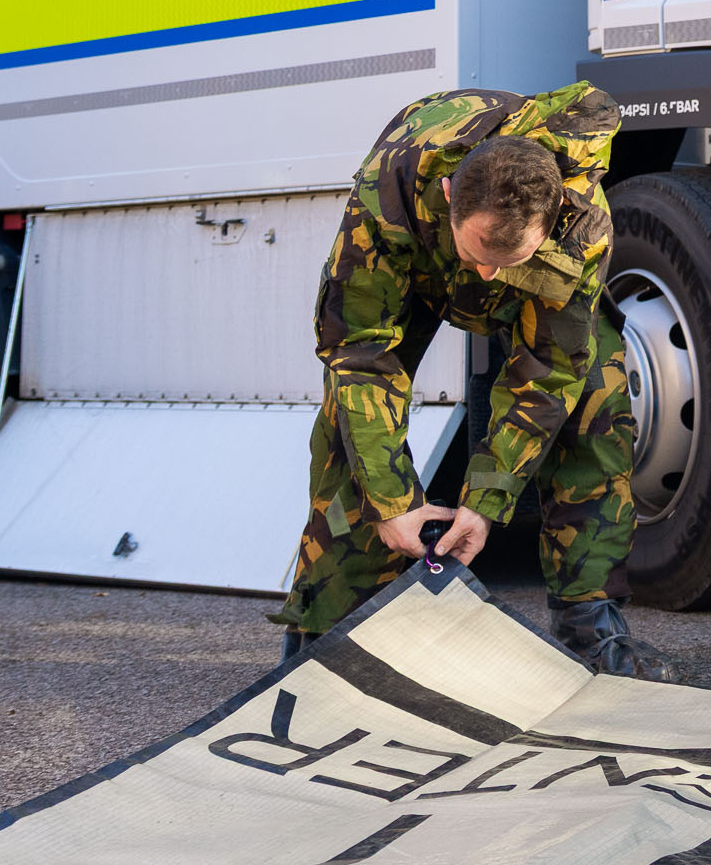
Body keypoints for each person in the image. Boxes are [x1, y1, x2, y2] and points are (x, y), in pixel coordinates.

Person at [276, 82, 671, 679]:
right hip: (418, 259)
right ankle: (325, 633)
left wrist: (484, 504)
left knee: (595, 394)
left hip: (533, 275)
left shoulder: (579, 227)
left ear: (552, 218)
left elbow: (548, 374)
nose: (486, 274)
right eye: (478, 253)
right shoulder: (388, 195)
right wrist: (392, 503)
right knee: (351, 427)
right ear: (446, 195)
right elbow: (361, 358)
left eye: (504, 261)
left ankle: (589, 626)